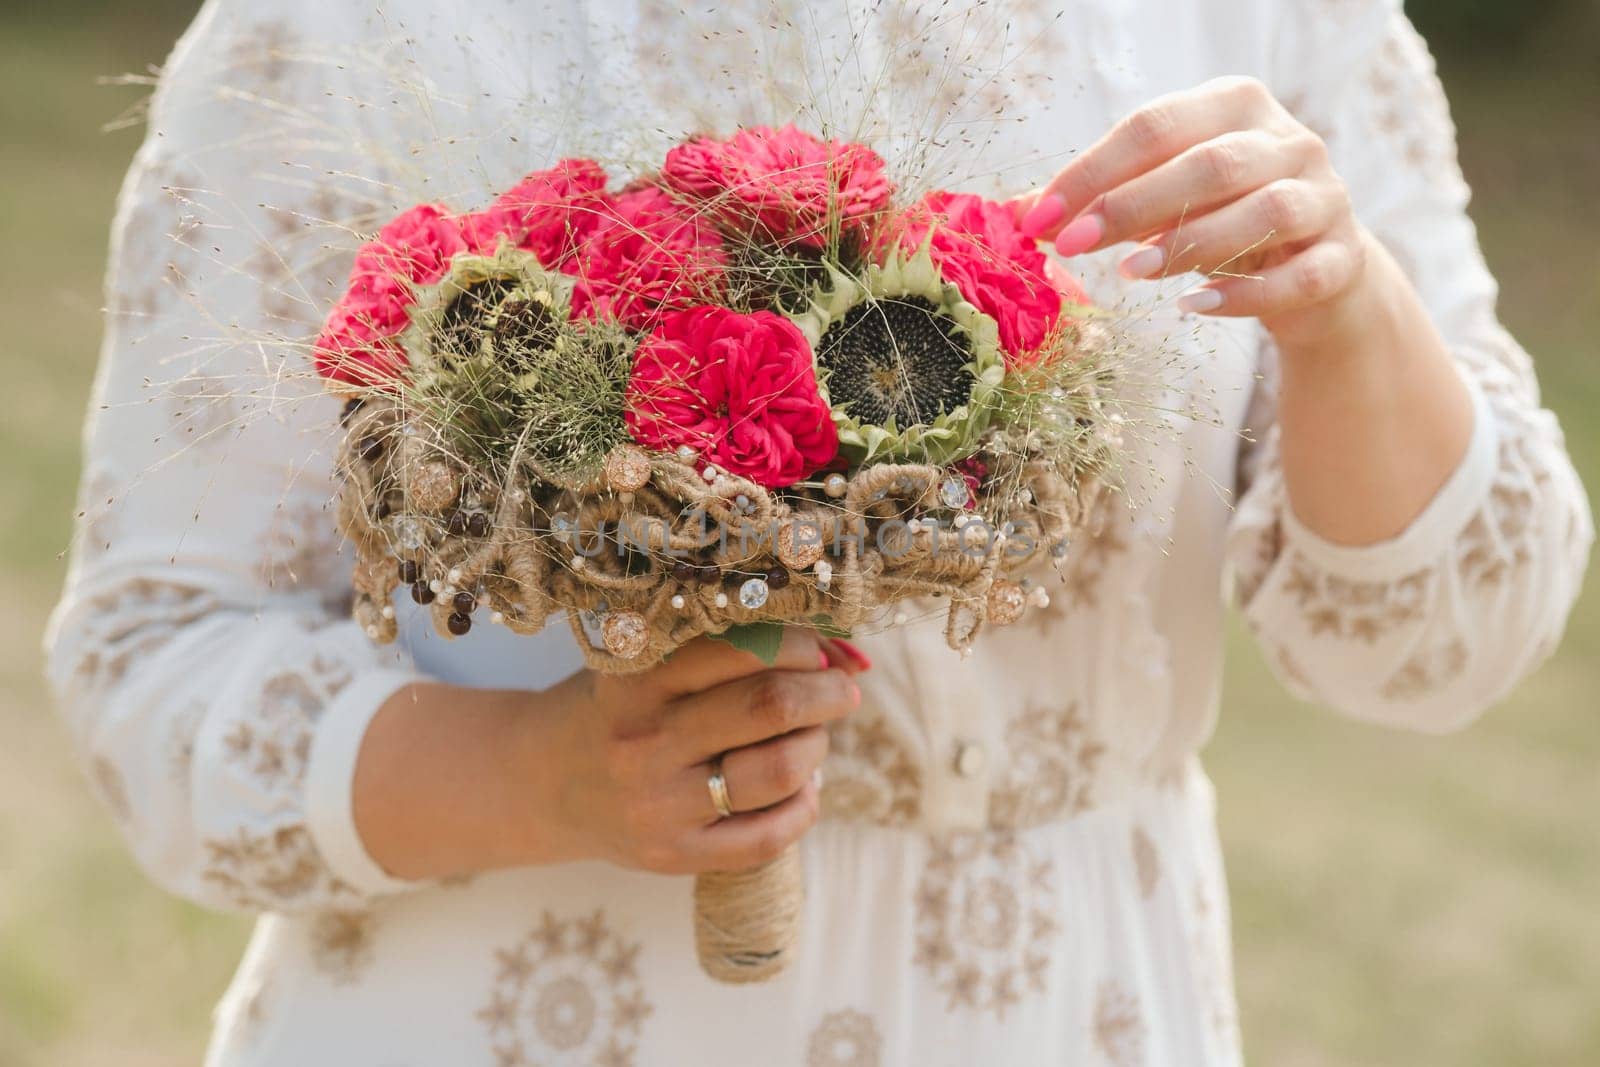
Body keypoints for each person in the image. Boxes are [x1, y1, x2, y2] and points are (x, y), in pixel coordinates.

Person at [47, 0, 1590, 1063]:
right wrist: (543, 779)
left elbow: (1443, 646)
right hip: (515, 1014)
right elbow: (151, 664)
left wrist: (1349, 310)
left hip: (1074, 1014)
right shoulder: (350, 31)